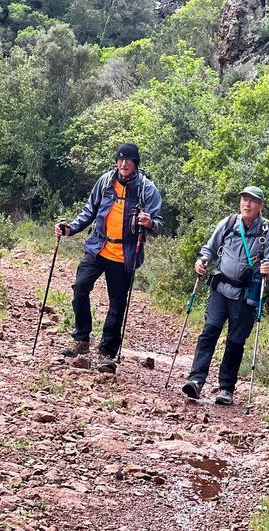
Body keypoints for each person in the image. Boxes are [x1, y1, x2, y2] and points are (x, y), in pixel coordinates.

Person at [55, 143, 163, 373]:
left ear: (135, 164)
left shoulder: (146, 189)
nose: (124, 163)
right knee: (80, 288)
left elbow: (158, 224)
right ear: (116, 161)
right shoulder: (105, 182)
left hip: (124, 254)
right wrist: (70, 228)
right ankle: (81, 339)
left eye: (129, 160)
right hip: (97, 247)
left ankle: (107, 352)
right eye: (120, 159)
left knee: (117, 304)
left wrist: (150, 223)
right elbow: (89, 210)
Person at [182, 186, 269, 405]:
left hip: (247, 295)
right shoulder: (228, 223)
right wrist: (202, 261)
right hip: (220, 288)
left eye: (252, 201)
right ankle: (196, 380)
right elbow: (209, 249)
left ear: (261, 206)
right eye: (244, 199)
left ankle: (226, 389)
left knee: (236, 341)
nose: (247, 204)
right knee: (210, 331)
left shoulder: (268, 232)